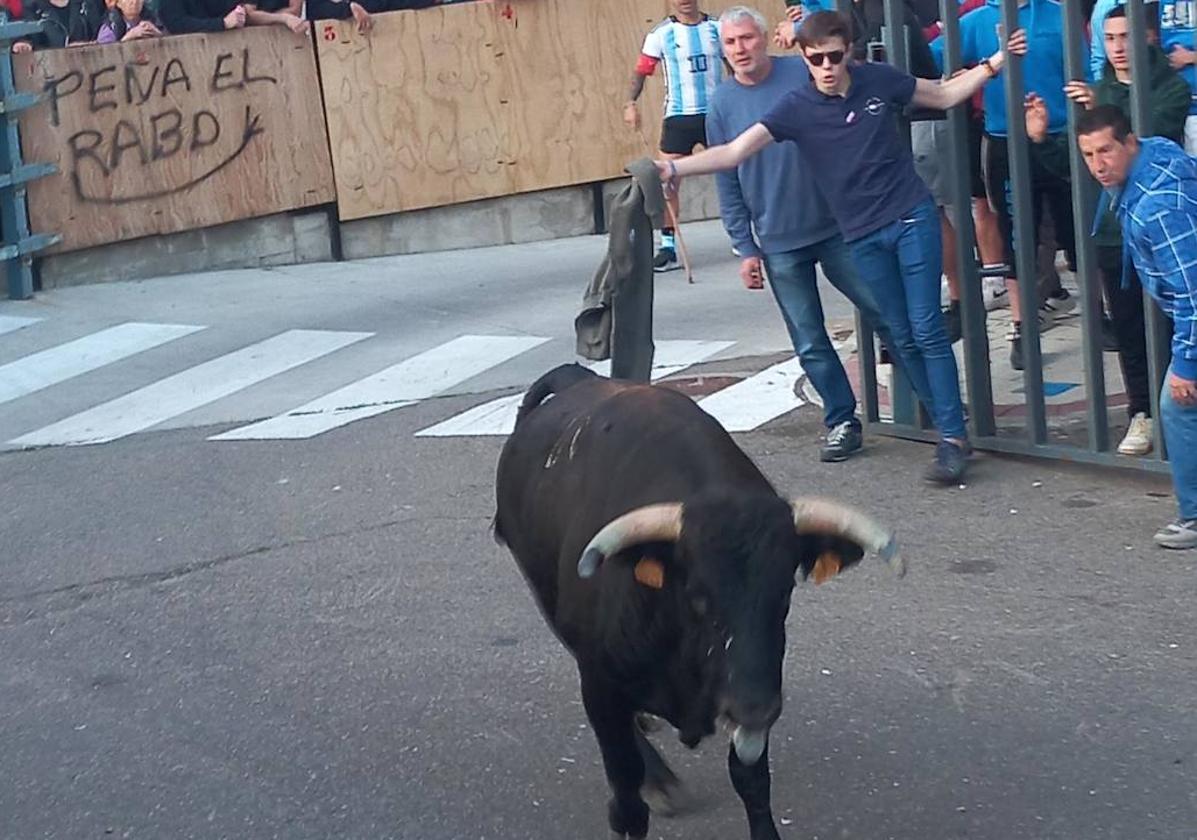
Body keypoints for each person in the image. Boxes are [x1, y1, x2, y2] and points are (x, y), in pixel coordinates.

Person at [658, 10, 1026, 484]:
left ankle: (952, 438)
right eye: (816, 59)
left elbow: (943, 93)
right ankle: (943, 420)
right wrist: (671, 169)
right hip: (860, 235)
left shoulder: (877, 80)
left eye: (834, 56)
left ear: (848, 51)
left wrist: (996, 60)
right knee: (900, 330)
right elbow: (733, 153)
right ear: (806, 60)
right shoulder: (796, 108)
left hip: (910, 216)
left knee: (926, 327)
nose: (827, 67)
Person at [710, 5, 905, 462]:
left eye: (747, 39)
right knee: (809, 339)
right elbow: (726, 175)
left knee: (887, 311)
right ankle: (842, 420)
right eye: (731, 42)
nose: (740, 49)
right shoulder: (721, 103)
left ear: (766, 39)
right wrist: (744, 246)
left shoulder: (804, 70)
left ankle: (929, 406)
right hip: (777, 238)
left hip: (838, 225)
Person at [1050, 4, 1186, 456]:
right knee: (1129, 330)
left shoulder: (1167, 87)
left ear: (1148, 37)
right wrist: (1039, 140)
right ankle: (1141, 413)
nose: (1118, 48)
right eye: (1109, 39)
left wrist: (1100, 106)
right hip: (1115, 231)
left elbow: (1144, 139)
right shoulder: (1101, 89)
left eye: (1126, 37)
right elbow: (1081, 165)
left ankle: (1178, 417)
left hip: (1161, 228)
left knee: (1173, 323)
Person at [931, 0, 1079, 371]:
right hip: (1003, 140)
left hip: (1062, 136)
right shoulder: (977, 20)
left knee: (1079, 235)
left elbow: (1085, 71)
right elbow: (931, 59)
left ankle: (1097, 315)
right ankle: (1022, 328)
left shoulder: (1059, 13)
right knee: (1016, 237)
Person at [1076, 106, 1197, 547]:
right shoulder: (1158, 152)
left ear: (1129, 143)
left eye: (1106, 150)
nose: (1098, 165)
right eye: (1088, 155)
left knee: (1178, 406)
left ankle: (1194, 516)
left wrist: (1186, 361)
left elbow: (1192, 292)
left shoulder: (1156, 210)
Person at [624, 0, 724, 273]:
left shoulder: (718, 28)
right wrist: (630, 103)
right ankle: (668, 247)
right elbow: (641, 72)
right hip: (678, 116)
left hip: (716, 113)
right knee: (667, 182)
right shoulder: (660, 34)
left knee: (736, 172)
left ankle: (746, 236)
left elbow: (738, 65)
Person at [18, 0, 101, 48]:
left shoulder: (90, 3)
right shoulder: (31, 8)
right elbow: (30, 43)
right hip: (51, 73)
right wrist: (23, 44)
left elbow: (102, 34)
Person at [96, 0, 162, 42]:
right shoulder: (110, 27)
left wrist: (158, 34)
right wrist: (128, 38)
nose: (135, 2)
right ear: (119, 4)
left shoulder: (152, 19)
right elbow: (103, 54)